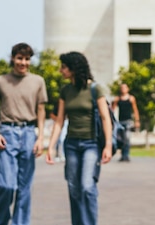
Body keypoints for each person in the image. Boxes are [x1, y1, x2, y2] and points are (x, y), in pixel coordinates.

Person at [46, 51, 113, 225]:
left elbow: (105, 118)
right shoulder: (65, 90)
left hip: (91, 144)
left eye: (63, 67)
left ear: (74, 68)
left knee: (87, 187)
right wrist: (51, 146)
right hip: (71, 145)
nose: (61, 71)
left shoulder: (95, 89)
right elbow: (60, 120)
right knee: (74, 188)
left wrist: (108, 146)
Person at [0, 42, 48, 225]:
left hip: (29, 133)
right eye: (20, 58)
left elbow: (41, 110)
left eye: (27, 59)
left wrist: (40, 138)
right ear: (13, 58)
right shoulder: (0, 81)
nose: (23, 63)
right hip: (7, 133)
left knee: (24, 187)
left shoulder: (38, 81)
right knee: (6, 185)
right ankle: (0, 221)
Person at [111, 82, 140, 162]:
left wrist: (137, 121)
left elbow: (135, 110)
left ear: (127, 89)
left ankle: (126, 155)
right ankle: (122, 155)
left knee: (127, 138)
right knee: (121, 139)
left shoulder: (131, 98)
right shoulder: (117, 98)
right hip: (120, 122)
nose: (123, 89)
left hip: (128, 121)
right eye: (122, 88)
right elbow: (112, 110)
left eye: (124, 87)